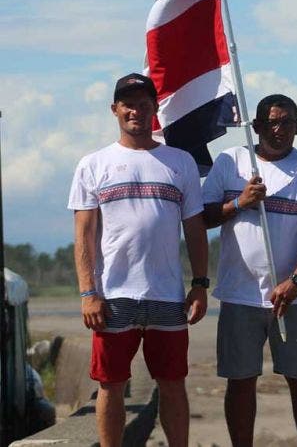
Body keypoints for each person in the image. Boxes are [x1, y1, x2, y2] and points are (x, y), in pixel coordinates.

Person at [69, 73, 209, 447]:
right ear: (115, 109)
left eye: (144, 103)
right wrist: (88, 292)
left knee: (173, 383)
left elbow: (195, 229)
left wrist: (200, 285)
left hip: (166, 294)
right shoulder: (93, 164)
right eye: (128, 103)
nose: (136, 110)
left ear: (155, 108)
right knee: (110, 385)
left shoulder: (180, 162)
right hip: (113, 295)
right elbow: (83, 235)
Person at [202, 94, 297, 447]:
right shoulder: (230, 162)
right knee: (240, 380)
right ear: (257, 126)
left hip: (295, 299)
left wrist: (296, 281)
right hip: (239, 294)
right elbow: (201, 217)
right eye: (272, 122)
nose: (280, 129)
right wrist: (239, 203)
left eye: (288, 122)